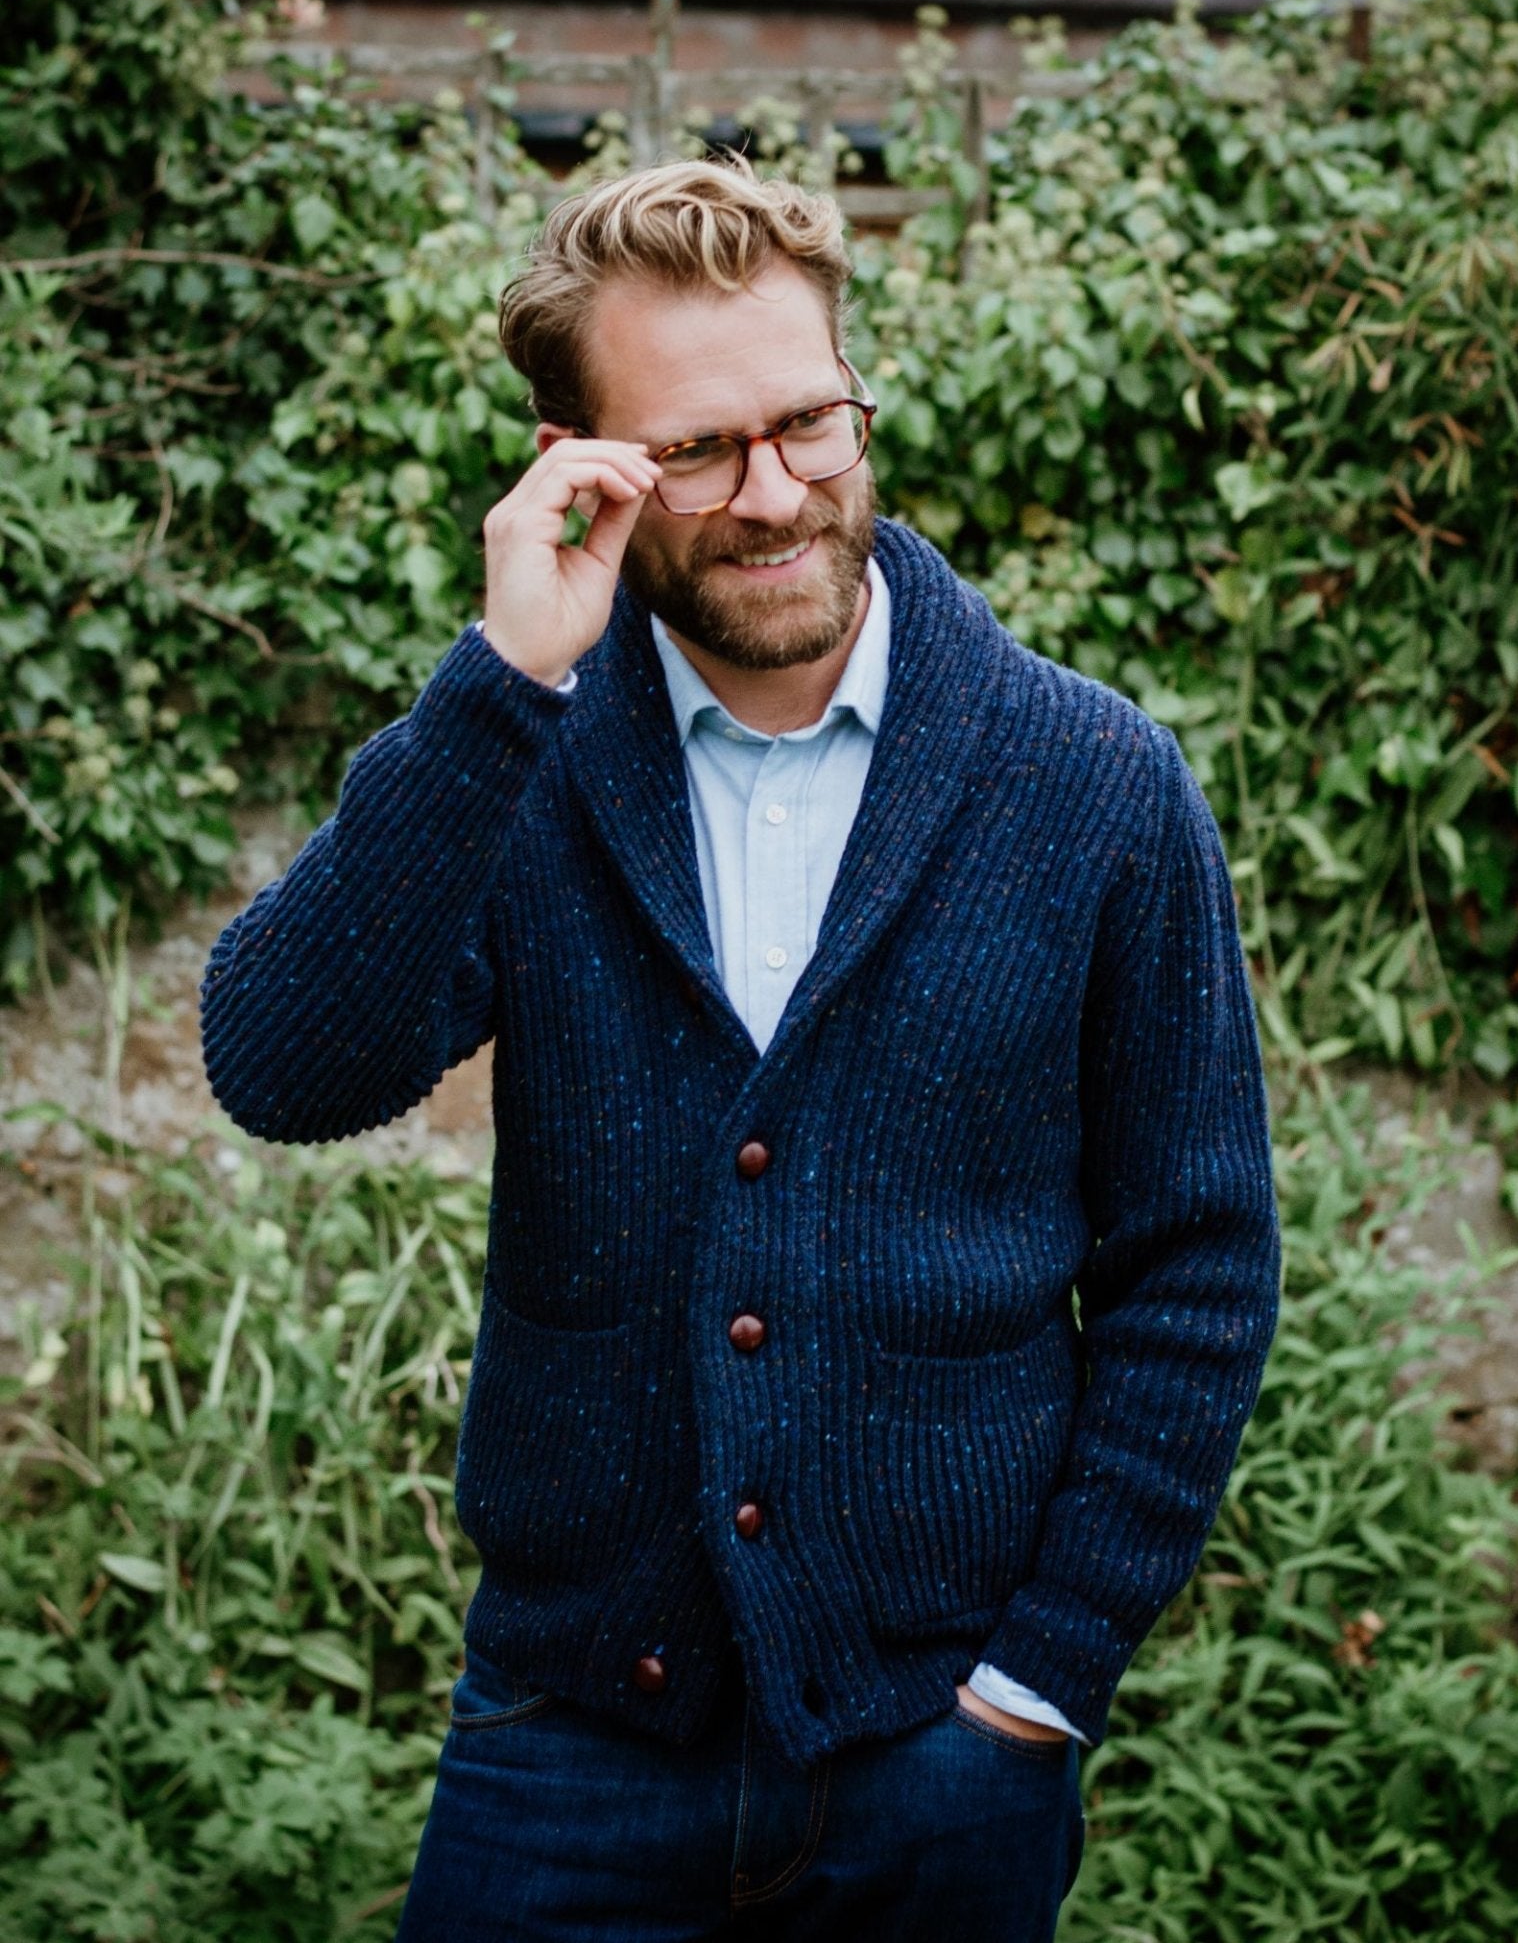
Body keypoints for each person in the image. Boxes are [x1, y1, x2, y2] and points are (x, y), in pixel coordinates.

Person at [200, 158, 1281, 1941]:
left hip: (947, 1757)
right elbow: (281, 1066)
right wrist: (500, 681)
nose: (778, 494)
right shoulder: (525, 755)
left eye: (811, 423)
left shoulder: (1097, 786)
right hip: (568, 1742)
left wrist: (1040, 1683)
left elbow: (1197, 1265)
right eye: (700, 451)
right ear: (580, 462)